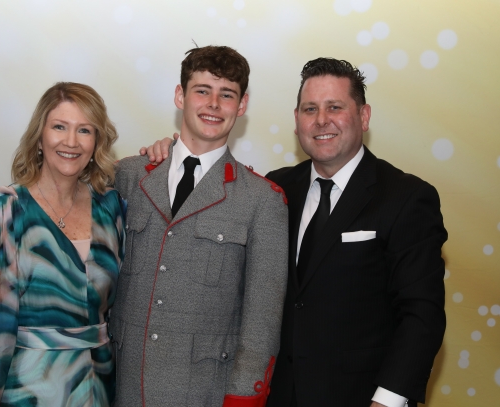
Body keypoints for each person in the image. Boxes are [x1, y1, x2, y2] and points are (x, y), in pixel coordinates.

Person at [143, 58, 447, 407]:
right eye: (310, 109)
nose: (321, 120)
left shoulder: (406, 197)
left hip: (361, 398)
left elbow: (421, 315)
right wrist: (172, 157)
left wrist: (388, 401)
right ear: (296, 120)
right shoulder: (275, 189)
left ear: (363, 116)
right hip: (277, 396)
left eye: (335, 107)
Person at [0, 82, 126, 407]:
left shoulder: (112, 209)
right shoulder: (0, 211)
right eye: (59, 127)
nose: (71, 141)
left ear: (96, 142)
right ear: (40, 138)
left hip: (98, 388)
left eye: (84, 130)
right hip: (23, 390)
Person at [110, 45, 289, 407]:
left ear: (242, 105)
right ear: (180, 96)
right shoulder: (128, 176)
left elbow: (262, 323)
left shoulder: (262, 200)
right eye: (202, 91)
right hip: (121, 387)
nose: (214, 104)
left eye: (227, 95)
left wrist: (243, 399)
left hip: (205, 394)